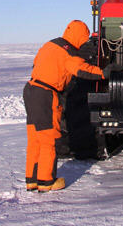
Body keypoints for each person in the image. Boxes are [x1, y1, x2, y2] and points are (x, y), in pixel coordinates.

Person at [23, 20, 107, 192]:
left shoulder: (50, 44)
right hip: (46, 94)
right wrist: (103, 73)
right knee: (49, 138)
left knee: (35, 138)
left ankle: (32, 179)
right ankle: (46, 181)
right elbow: (81, 70)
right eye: (84, 38)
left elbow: (36, 63)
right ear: (79, 36)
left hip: (31, 90)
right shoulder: (68, 53)